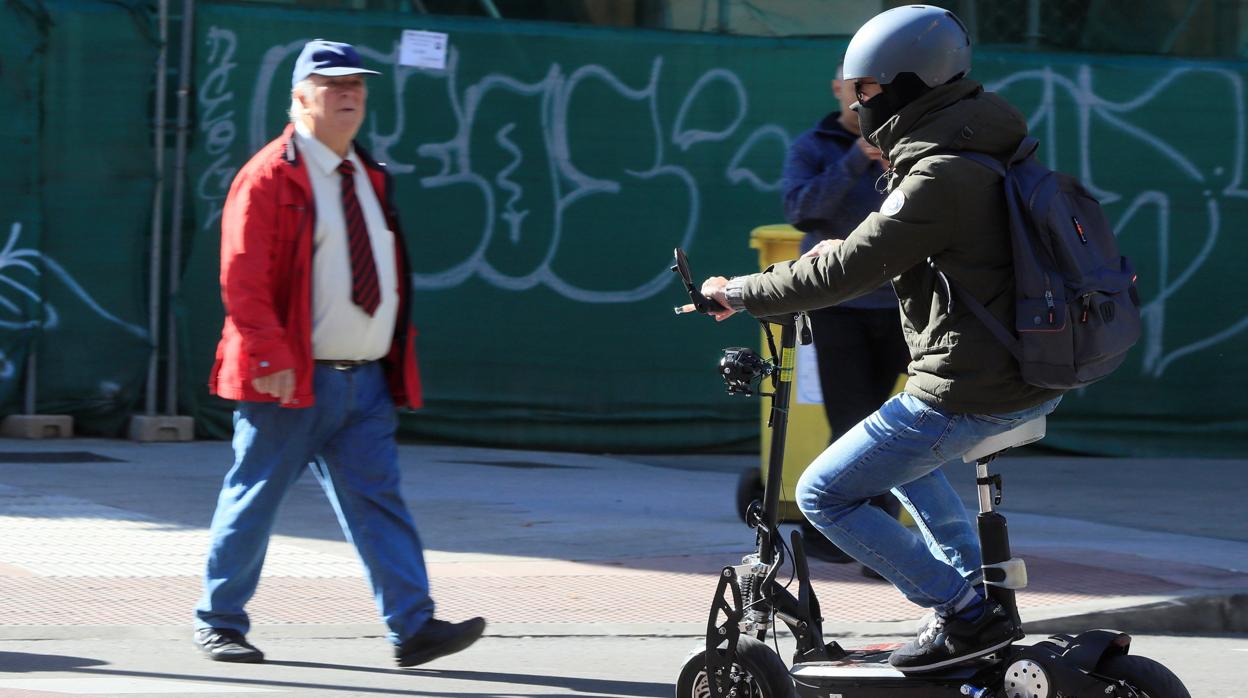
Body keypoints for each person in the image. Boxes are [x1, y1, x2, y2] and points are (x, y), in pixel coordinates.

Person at [700, 6, 1063, 673]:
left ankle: (962, 612)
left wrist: (741, 291)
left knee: (824, 495)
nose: (858, 102)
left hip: (968, 386)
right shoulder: (991, 147)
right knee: (902, 462)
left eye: (866, 90)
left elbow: (843, 271)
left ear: (905, 86)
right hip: (1027, 374)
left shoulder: (938, 173)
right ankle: (975, 601)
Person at [194, 39, 485, 668]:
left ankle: (413, 627)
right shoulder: (271, 175)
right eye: (331, 85)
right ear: (300, 99)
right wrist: (270, 359)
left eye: (356, 84)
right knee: (254, 499)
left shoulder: (368, 175)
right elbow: (241, 277)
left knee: (379, 502)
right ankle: (219, 621)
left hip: (365, 383)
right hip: (290, 381)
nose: (348, 94)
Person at [781, 64, 910, 572]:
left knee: (911, 425)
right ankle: (858, 537)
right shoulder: (814, 146)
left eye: (870, 90)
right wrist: (858, 159)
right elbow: (802, 209)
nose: (861, 100)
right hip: (838, 310)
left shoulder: (909, 144)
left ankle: (887, 534)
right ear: (838, 90)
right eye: (852, 89)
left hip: (904, 307)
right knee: (853, 425)